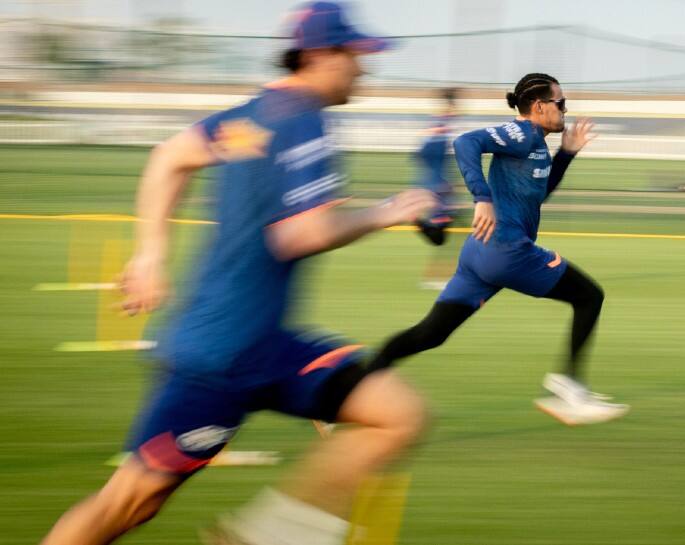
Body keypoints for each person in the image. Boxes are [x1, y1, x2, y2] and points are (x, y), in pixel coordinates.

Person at [39, 3, 437, 545]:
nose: (364, 67)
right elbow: (299, 234)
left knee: (399, 414)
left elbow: (168, 157)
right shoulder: (304, 120)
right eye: (355, 55)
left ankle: (269, 537)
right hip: (222, 362)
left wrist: (149, 254)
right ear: (321, 55)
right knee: (128, 505)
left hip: (262, 345)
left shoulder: (252, 118)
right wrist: (386, 211)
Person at [369, 73, 629, 426]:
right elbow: (465, 142)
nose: (566, 111)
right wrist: (481, 197)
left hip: (480, 254)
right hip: (507, 252)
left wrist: (566, 155)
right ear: (539, 107)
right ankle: (568, 387)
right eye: (561, 104)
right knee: (589, 297)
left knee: (430, 334)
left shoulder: (535, 143)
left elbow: (538, 194)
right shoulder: (521, 133)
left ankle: (343, 393)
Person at [412, 87, 463, 289]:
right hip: (439, 190)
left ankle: (446, 276)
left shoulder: (439, 127)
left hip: (440, 189)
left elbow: (422, 153)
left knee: (454, 236)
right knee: (444, 238)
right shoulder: (439, 128)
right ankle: (444, 277)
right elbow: (424, 153)